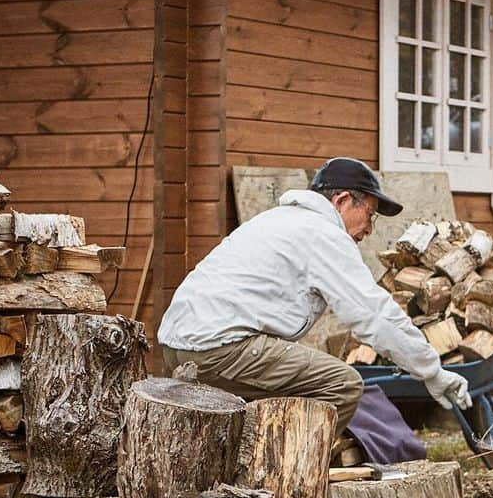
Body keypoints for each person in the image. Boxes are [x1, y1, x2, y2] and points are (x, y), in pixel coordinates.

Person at [158, 157, 472, 434]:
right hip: (216, 349)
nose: (370, 230)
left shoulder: (278, 220)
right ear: (343, 200)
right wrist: (431, 372)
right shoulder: (323, 234)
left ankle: (251, 465)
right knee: (343, 385)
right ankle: (285, 480)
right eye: (370, 214)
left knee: (295, 387)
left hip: (179, 347)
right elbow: (373, 315)